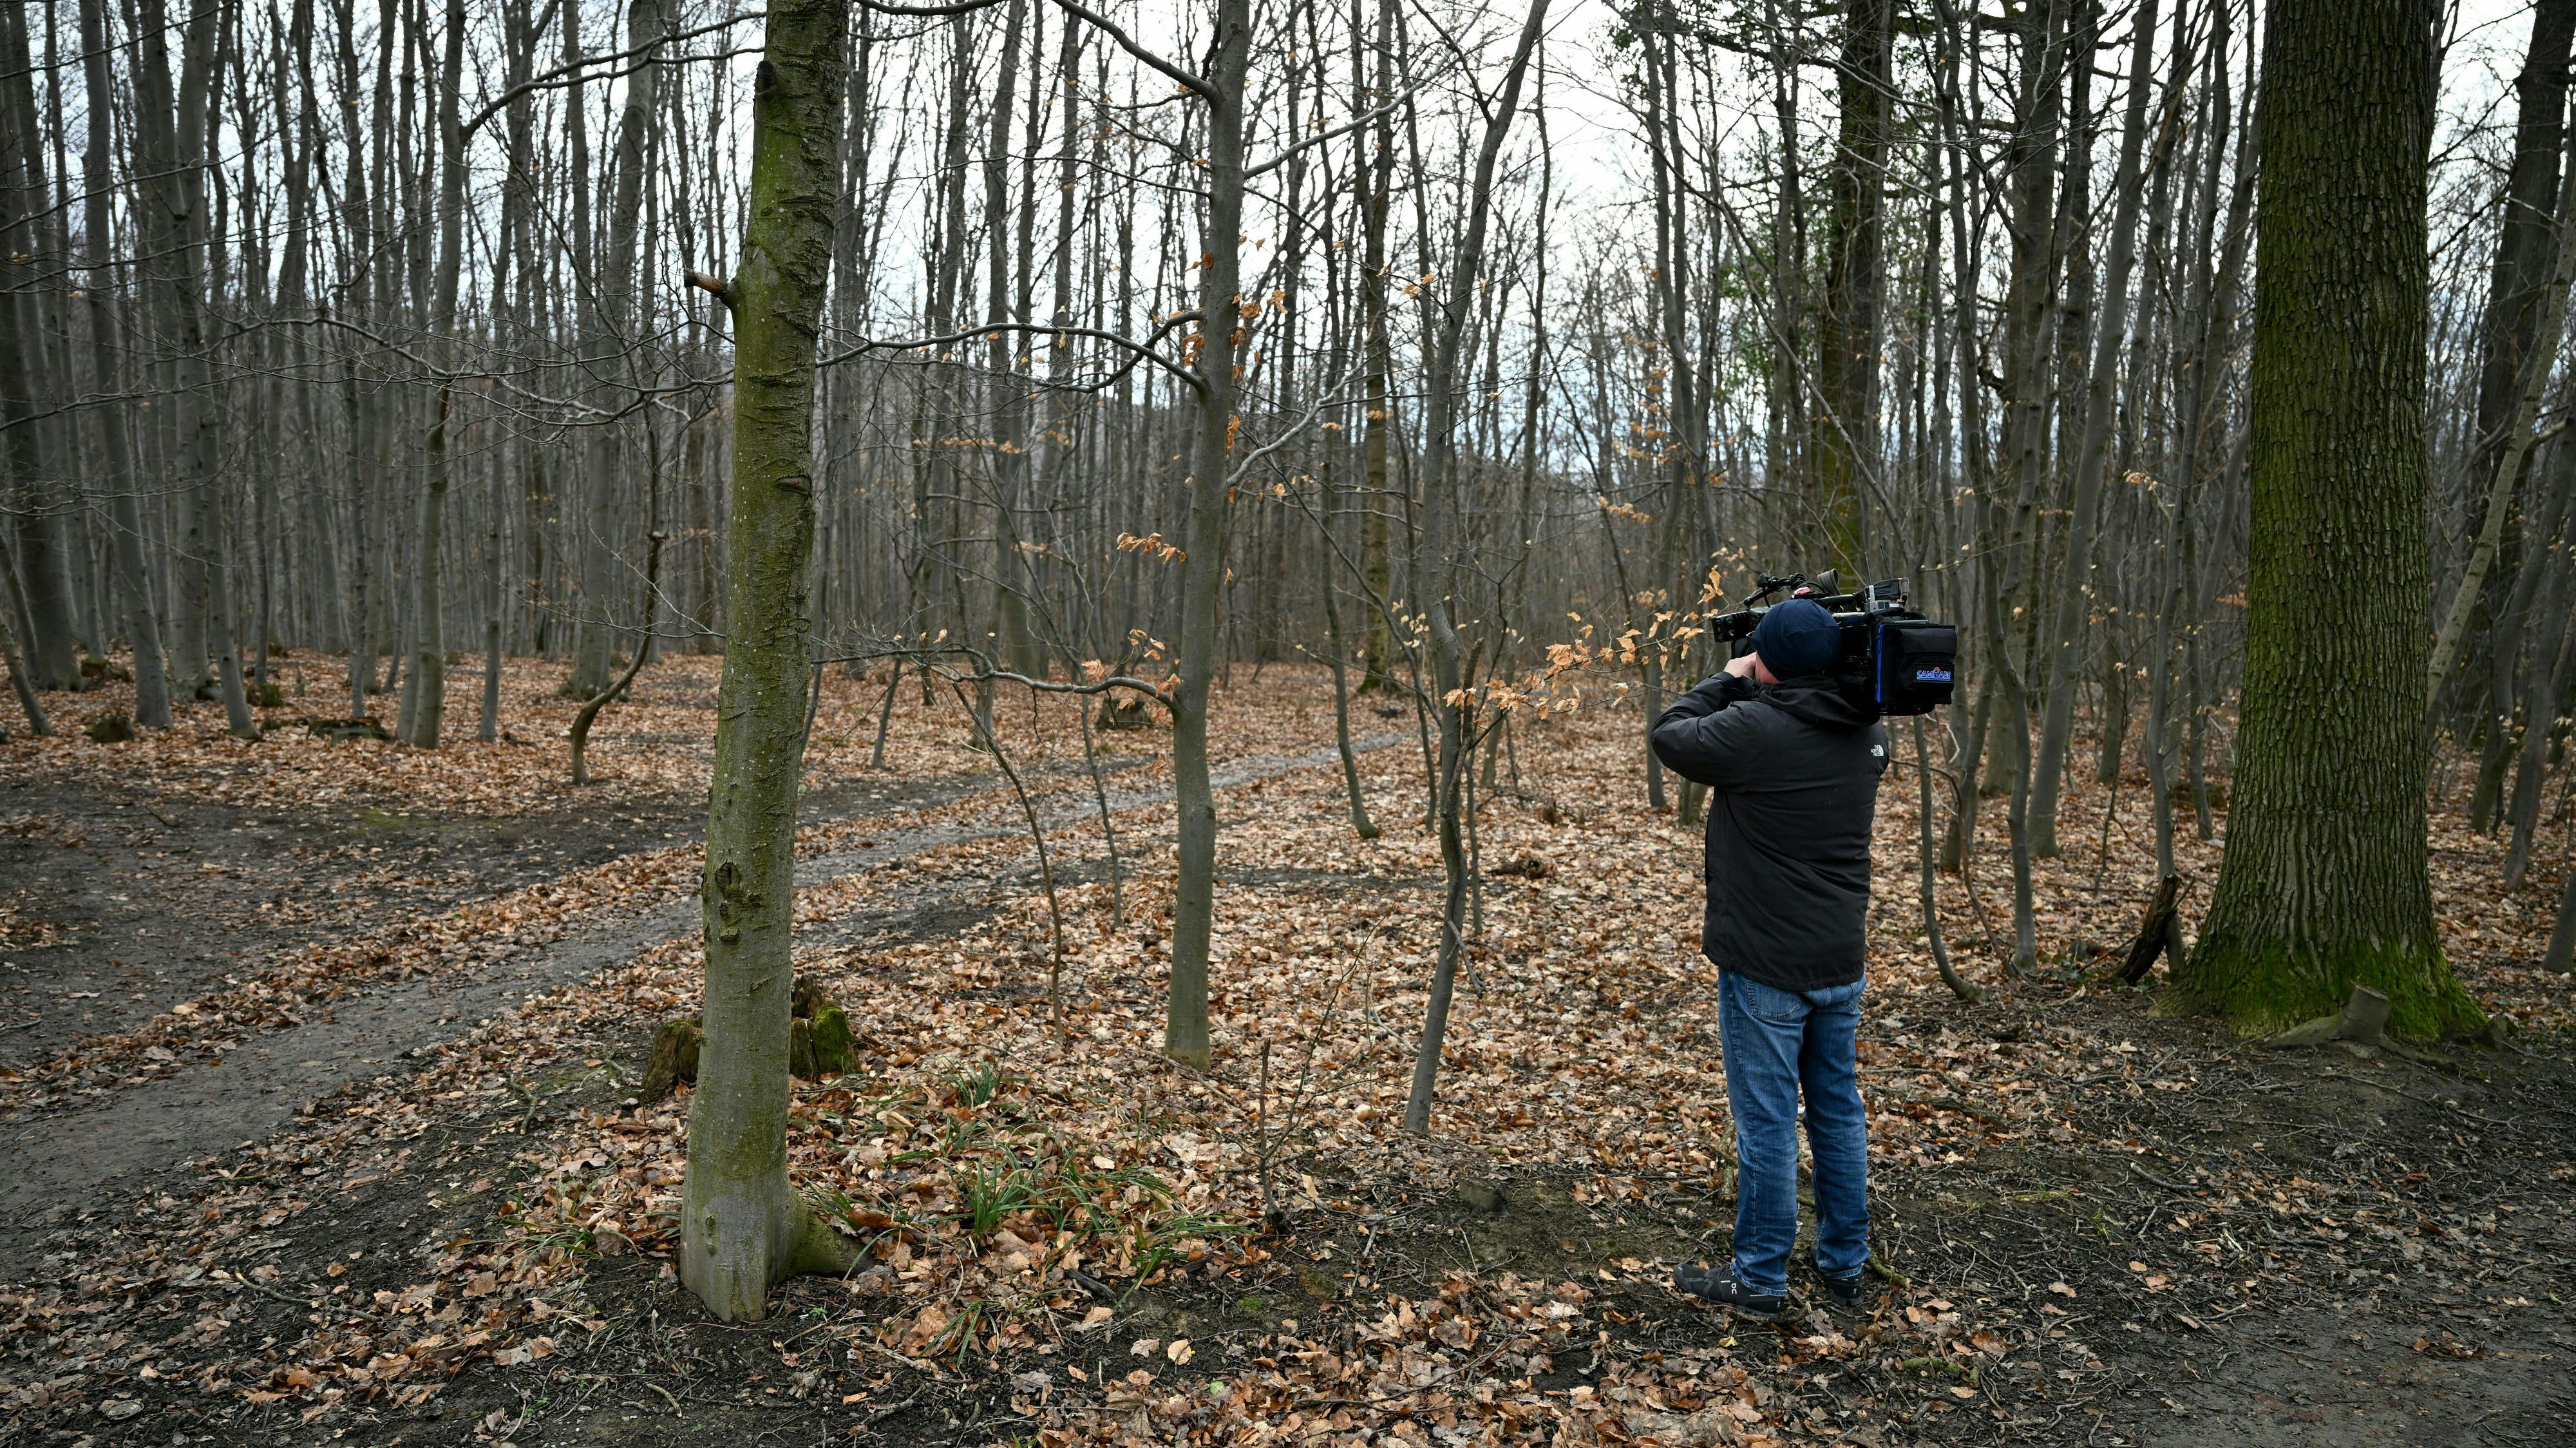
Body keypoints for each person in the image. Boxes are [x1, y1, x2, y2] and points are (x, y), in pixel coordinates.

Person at [1649, 597, 1888, 1319]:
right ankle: (1844, 1264)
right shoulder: (1867, 728)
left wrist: (1730, 676)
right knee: (1838, 1111)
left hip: (1765, 965)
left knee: (1768, 1121)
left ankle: (1758, 1276)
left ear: (1767, 661)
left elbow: (1671, 734)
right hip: (1839, 957)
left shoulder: (1756, 729)